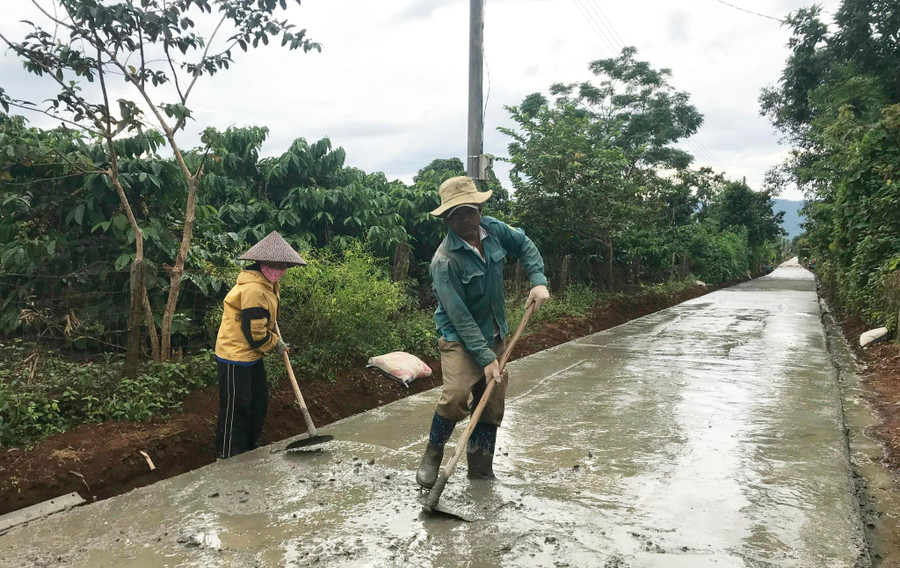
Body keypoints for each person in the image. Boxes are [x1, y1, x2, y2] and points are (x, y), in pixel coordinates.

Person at [416, 176, 550, 488]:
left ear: (479, 208)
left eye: (470, 210)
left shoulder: (494, 230)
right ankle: (433, 454)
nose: (465, 218)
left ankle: (480, 469)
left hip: (495, 332)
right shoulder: (444, 261)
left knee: (491, 402)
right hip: (459, 339)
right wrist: (486, 358)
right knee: (457, 395)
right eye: (456, 213)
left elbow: (525, 245)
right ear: (447, 218)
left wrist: (538, 280)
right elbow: (459, 317)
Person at [214, 231, 307, 459]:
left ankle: (250, 450)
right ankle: (227, 456)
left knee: (258, 403)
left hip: (251, 355)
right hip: (235, 355)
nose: (282, 269)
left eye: (284, 265)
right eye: (279, 264)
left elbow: (263, 322)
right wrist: (276, 344)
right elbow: (255, 334)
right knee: (238, 408)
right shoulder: (254, 289)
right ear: (265, 264)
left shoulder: (267, 285)